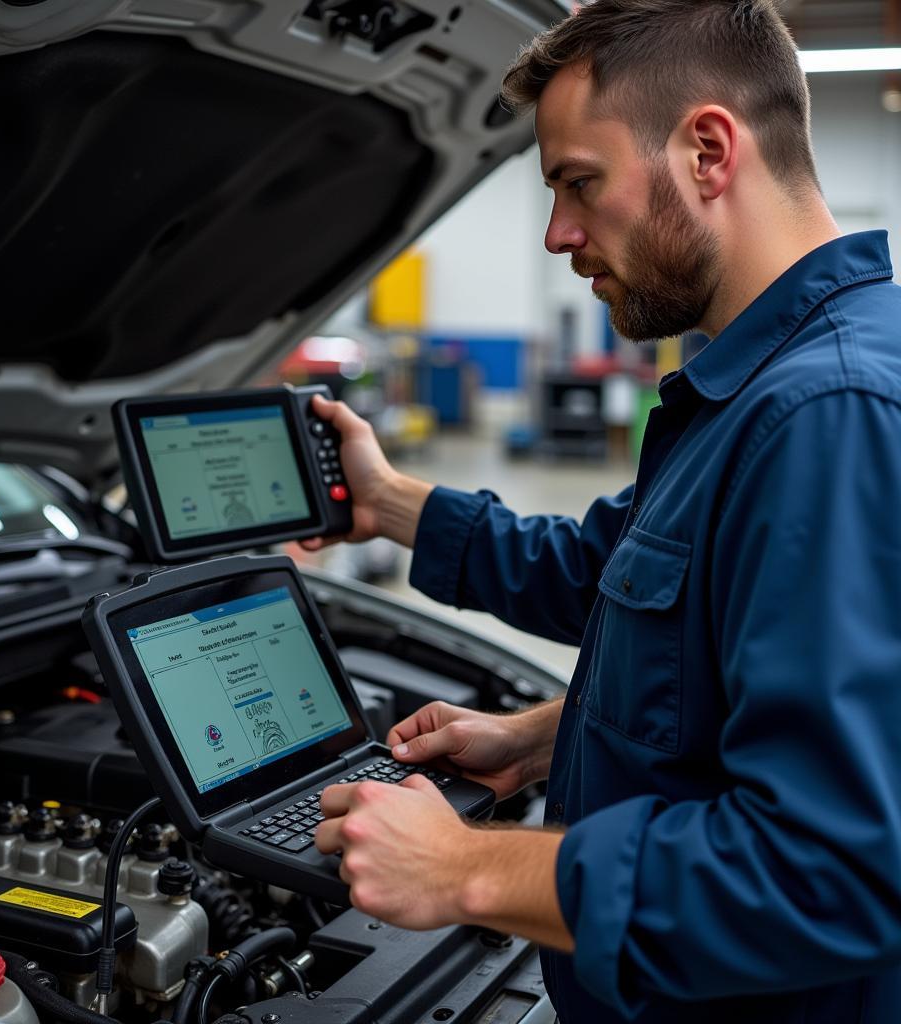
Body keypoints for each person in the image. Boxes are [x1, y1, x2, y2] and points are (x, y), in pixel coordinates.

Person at [307, 1, 901, 1021]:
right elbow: (626, 585)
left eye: (578, 182)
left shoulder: (824, 414)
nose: (556, 233)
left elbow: (827, 869)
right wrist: (551, 734)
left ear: (708, 151)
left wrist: (468, 871)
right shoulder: (761, 392)